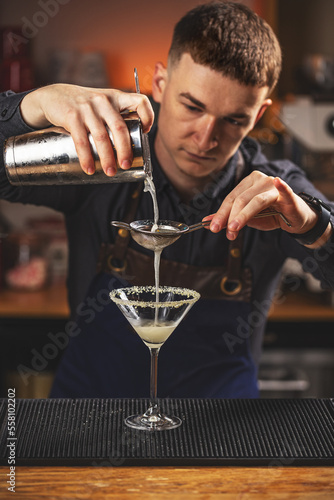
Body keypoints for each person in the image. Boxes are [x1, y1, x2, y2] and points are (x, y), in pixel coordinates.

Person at [0, 1, 333, 398]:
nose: (206, 138)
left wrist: (315, 227)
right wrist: (31, 105)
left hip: (220, 429)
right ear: (159, 84)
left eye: (234, 120)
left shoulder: (276, 193)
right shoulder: (99, 161)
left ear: (259, 114)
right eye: (192, 106)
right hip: (87, 415)